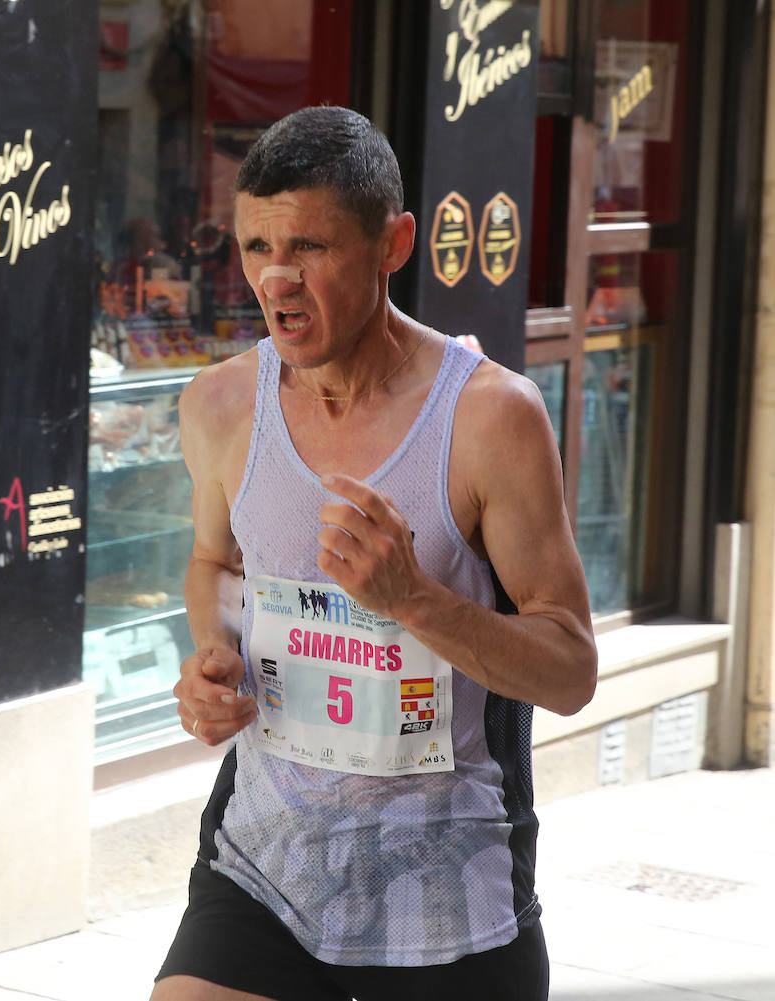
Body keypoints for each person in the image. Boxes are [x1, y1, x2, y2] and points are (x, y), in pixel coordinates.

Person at [152, 106, 597, 1001]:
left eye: (311, 246)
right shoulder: (220, 405)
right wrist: (212, 660)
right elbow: (216, 566)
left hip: (450, 887)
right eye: (253, 247)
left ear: (394, 244)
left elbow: (571, 669)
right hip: (266, 861)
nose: (277, 276)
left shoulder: (489, 419)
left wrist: (415, 598)